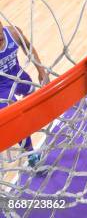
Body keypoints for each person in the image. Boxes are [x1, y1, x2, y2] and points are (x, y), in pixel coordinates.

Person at [0, 19, 49, 167]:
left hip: (19, 76)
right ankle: (31, 153)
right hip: (1, 87)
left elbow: (28, 48)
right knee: (15, 119)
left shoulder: (14, 33)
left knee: (37, 105)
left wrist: (41, 70)